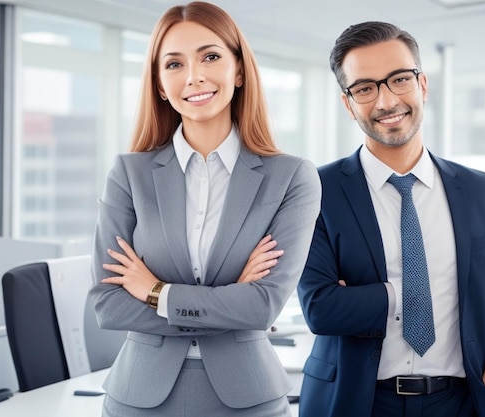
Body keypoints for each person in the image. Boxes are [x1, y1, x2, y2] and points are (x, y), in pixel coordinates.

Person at [87, 2, 321, 416]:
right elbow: (109, 304)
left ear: (239, 69)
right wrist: (229, 302)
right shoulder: (129, 174)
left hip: (247, 398)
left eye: (210, 56)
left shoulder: (291, 177)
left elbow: (262, 306)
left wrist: (156, 291)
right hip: (138, 398)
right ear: (160, 84)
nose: (193, 76)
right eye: (174, 64)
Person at [297, 20, 485, 417]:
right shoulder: (314, 191)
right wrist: (407, 295)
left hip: (462, 401)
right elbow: (320, 307)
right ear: (348, 103)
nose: (385, 101)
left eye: (399, 79)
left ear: (423, 85)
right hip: (354, 403)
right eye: (365, 88)